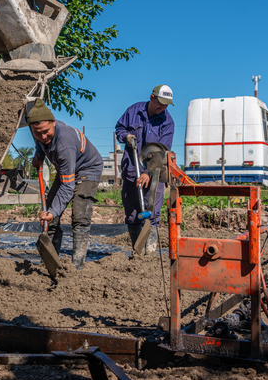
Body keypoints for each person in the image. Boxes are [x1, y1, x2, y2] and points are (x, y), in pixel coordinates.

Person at [28, 99, 103, 270]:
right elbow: (40, 143)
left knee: (79, 216)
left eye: (46, 132)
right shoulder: (39, 132)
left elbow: (68, 187)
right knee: (49, 211)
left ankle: (77, 265)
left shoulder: (65, 144)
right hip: (66, 168)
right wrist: (38, 154)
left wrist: (54, 212)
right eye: (38, 133)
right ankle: (51, 260)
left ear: (54, 122)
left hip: (87, 169)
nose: (43, 137)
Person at [114, 85, 174, 254]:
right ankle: (137, 251)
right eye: (160, 103)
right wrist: (126, 136)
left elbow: (163, 151)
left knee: (152, 214)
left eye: (166, 105)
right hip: (132, 170)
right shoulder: (133, 111)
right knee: (132, 215)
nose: (162, 108)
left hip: (154, 174)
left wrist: (148, 173)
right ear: (152, 97)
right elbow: (119, 127)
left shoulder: (167, 122)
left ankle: (151, 252)